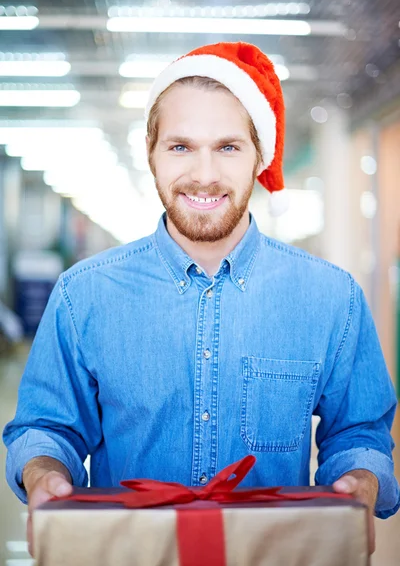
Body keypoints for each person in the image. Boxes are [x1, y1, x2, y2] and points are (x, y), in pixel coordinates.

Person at [3, 42, 399, 556]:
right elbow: (46, 426)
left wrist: (359, 482)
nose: (205, 174)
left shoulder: (331, 297)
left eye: (229, 147)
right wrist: (45, 473)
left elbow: (359, 432)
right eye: (181, 146)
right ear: (150, 153)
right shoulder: (85, 295)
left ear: (261, 156)